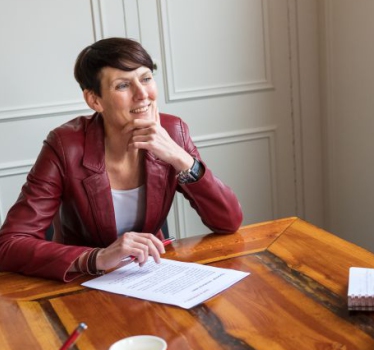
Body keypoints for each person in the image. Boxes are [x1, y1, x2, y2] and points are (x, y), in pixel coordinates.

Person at [0, 37, 243, 282]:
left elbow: (229, 221)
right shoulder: (65, 146)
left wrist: (181, 158)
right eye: (122, 86)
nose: (142, 94)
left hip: (151, 275)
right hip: (81, 283)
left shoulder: (173, 131)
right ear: (94, 100)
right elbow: (9, 244)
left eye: (146, 78)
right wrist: (97, 258)